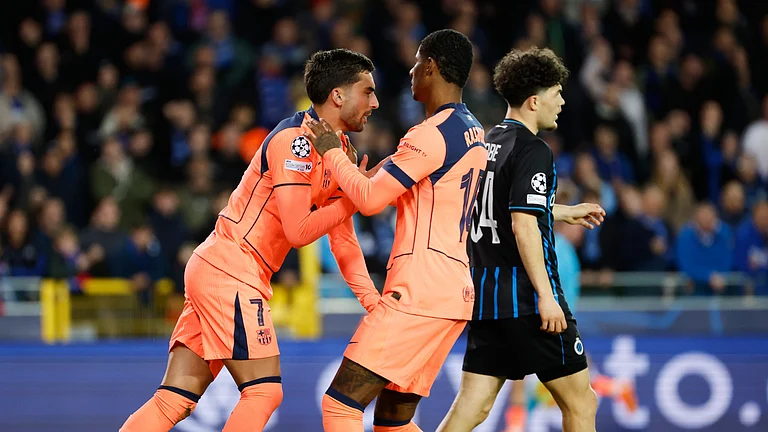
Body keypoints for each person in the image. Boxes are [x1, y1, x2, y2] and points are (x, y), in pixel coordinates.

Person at [120, 49, 383, 432]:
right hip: (232, 269)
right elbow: (298, 231)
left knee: (174, 398)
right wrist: (353, 201)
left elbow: (343, 240)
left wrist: (370, 300)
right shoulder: (295, 141)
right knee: (264, 392)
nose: (375, 103)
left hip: (222, 269)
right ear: (338, 96)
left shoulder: (340, 151)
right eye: (368, 91)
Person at [304, 29, 487, 432]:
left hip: (419, 290)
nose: (411, 70)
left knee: (340, 406)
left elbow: (370, 200)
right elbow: (384, 186)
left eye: (418, 61)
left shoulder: (429, 134)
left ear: (433, 67)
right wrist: (354, 174)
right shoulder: (473, 131)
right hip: (453, 293)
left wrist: (332, 152)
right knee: (393, 422)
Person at [437, 47, 604, 432]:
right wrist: (547, 297)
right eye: (556, 93)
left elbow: (500, 208)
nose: (561, 102)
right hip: (527, 300)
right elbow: (522, 224)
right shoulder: (533, 149)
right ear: (534, 100)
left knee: (472, 408)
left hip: (488, 299)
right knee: (581, 402)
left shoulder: (487, 143)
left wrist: (560, 210)